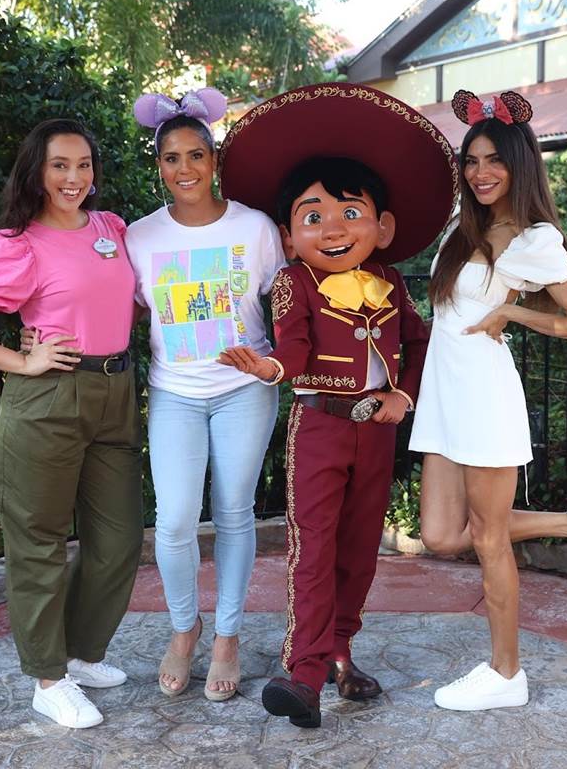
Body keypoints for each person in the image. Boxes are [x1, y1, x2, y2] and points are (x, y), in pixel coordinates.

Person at [409, 90, 567, 712]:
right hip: (443, 398)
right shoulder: (463, 227)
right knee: (441, 535)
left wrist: (514, 312)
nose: (481, 172)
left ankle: (506, 673)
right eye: (471, 161)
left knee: (490, 540)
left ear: (520, 164)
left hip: (485, 398)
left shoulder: (532, 239)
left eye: (494, 160)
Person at [216, 83, 456, 728]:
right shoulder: (293, 281)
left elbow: (418, 342)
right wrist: (269, 367)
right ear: (289, 236)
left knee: (359, 549)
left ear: (384, 227)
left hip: (376, 430)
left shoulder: (391, 282)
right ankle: (304, 674)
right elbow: (292, 349)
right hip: (319, 424)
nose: (333, 228)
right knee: (314, 547)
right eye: (313, 215)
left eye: (351, 212)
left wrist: (403, 394)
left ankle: (341, 653)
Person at [0, 119, 142, 729]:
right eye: (59, 166)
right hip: (49, 398)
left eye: (83, 164)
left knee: (119, 539)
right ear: (36, 172)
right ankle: (48, 679)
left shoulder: (110, 229)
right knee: (39, 542)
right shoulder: (15, 244)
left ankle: (78, 653)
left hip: (116, 389)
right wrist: (24, 360)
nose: (74, 178)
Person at [127, 88, 285, 702]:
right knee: (173, 520)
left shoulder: (255, 228)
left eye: (196, 155)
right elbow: (123, 311)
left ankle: (227, 637)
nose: (185, 168)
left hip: (244, 390)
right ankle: (184, 627)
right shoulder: (140, 237)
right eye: (171, 158)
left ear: (214, 161)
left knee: (234, 512)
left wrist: (277, 364)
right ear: (159, 166)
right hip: (175, 393)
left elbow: (286, 305)